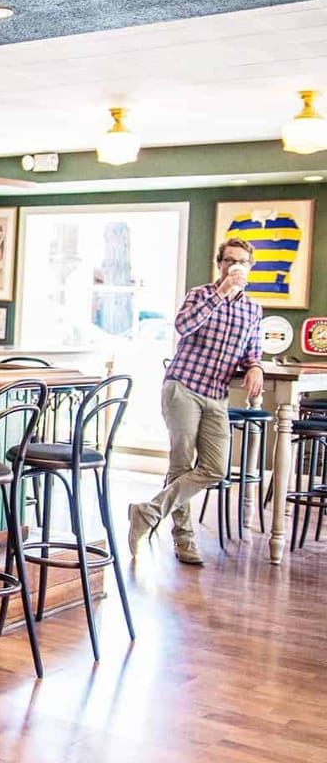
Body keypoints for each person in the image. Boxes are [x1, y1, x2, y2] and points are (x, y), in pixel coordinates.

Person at [128, 236, 263, 565]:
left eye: (241, 262)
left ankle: (147, 513)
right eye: (229, 260)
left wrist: (256, 366)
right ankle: (184, 540)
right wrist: (221, 293)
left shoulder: (253, 309)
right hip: (183, 386)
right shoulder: (201, 295)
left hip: (216, 394)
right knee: (181, 464)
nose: (235, 267)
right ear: (220, 264)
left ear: (250, 267)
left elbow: (252, 350)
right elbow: (183, 327)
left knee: (216, 467)